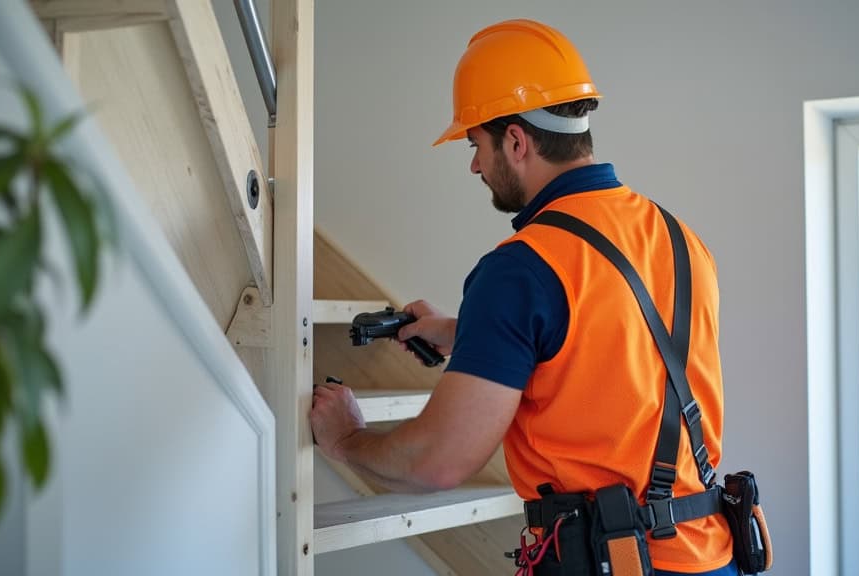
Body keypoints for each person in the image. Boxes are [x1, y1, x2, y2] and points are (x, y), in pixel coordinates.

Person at [311, 18, 739, 576]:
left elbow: (440, 460)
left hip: (613, 562)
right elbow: (610, 345)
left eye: (475, 144)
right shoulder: (680, 238)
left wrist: (346, 440)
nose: (473, 164)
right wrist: (470, 331)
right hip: (711, 554)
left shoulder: (520, 268)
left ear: (515, 140)